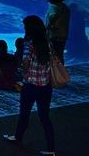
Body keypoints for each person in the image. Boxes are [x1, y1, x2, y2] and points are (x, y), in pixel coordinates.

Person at [4, 15, 55, 155]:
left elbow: (25, 62)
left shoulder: (29, 43)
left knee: (24, 114)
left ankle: (18, 137)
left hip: (31, 85)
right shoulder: (48, 42)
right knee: (45, 117)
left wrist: (24, 76)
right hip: (45, 86)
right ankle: (51, 149)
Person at [44, 0, 70, 65]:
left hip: (54, 35)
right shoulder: (66, 7)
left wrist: (50, 26)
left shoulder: (53, 6)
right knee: (60, 55)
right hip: (63, 35)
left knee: (53, 56)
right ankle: (61, 73)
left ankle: (56, 74)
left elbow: (53, 16)